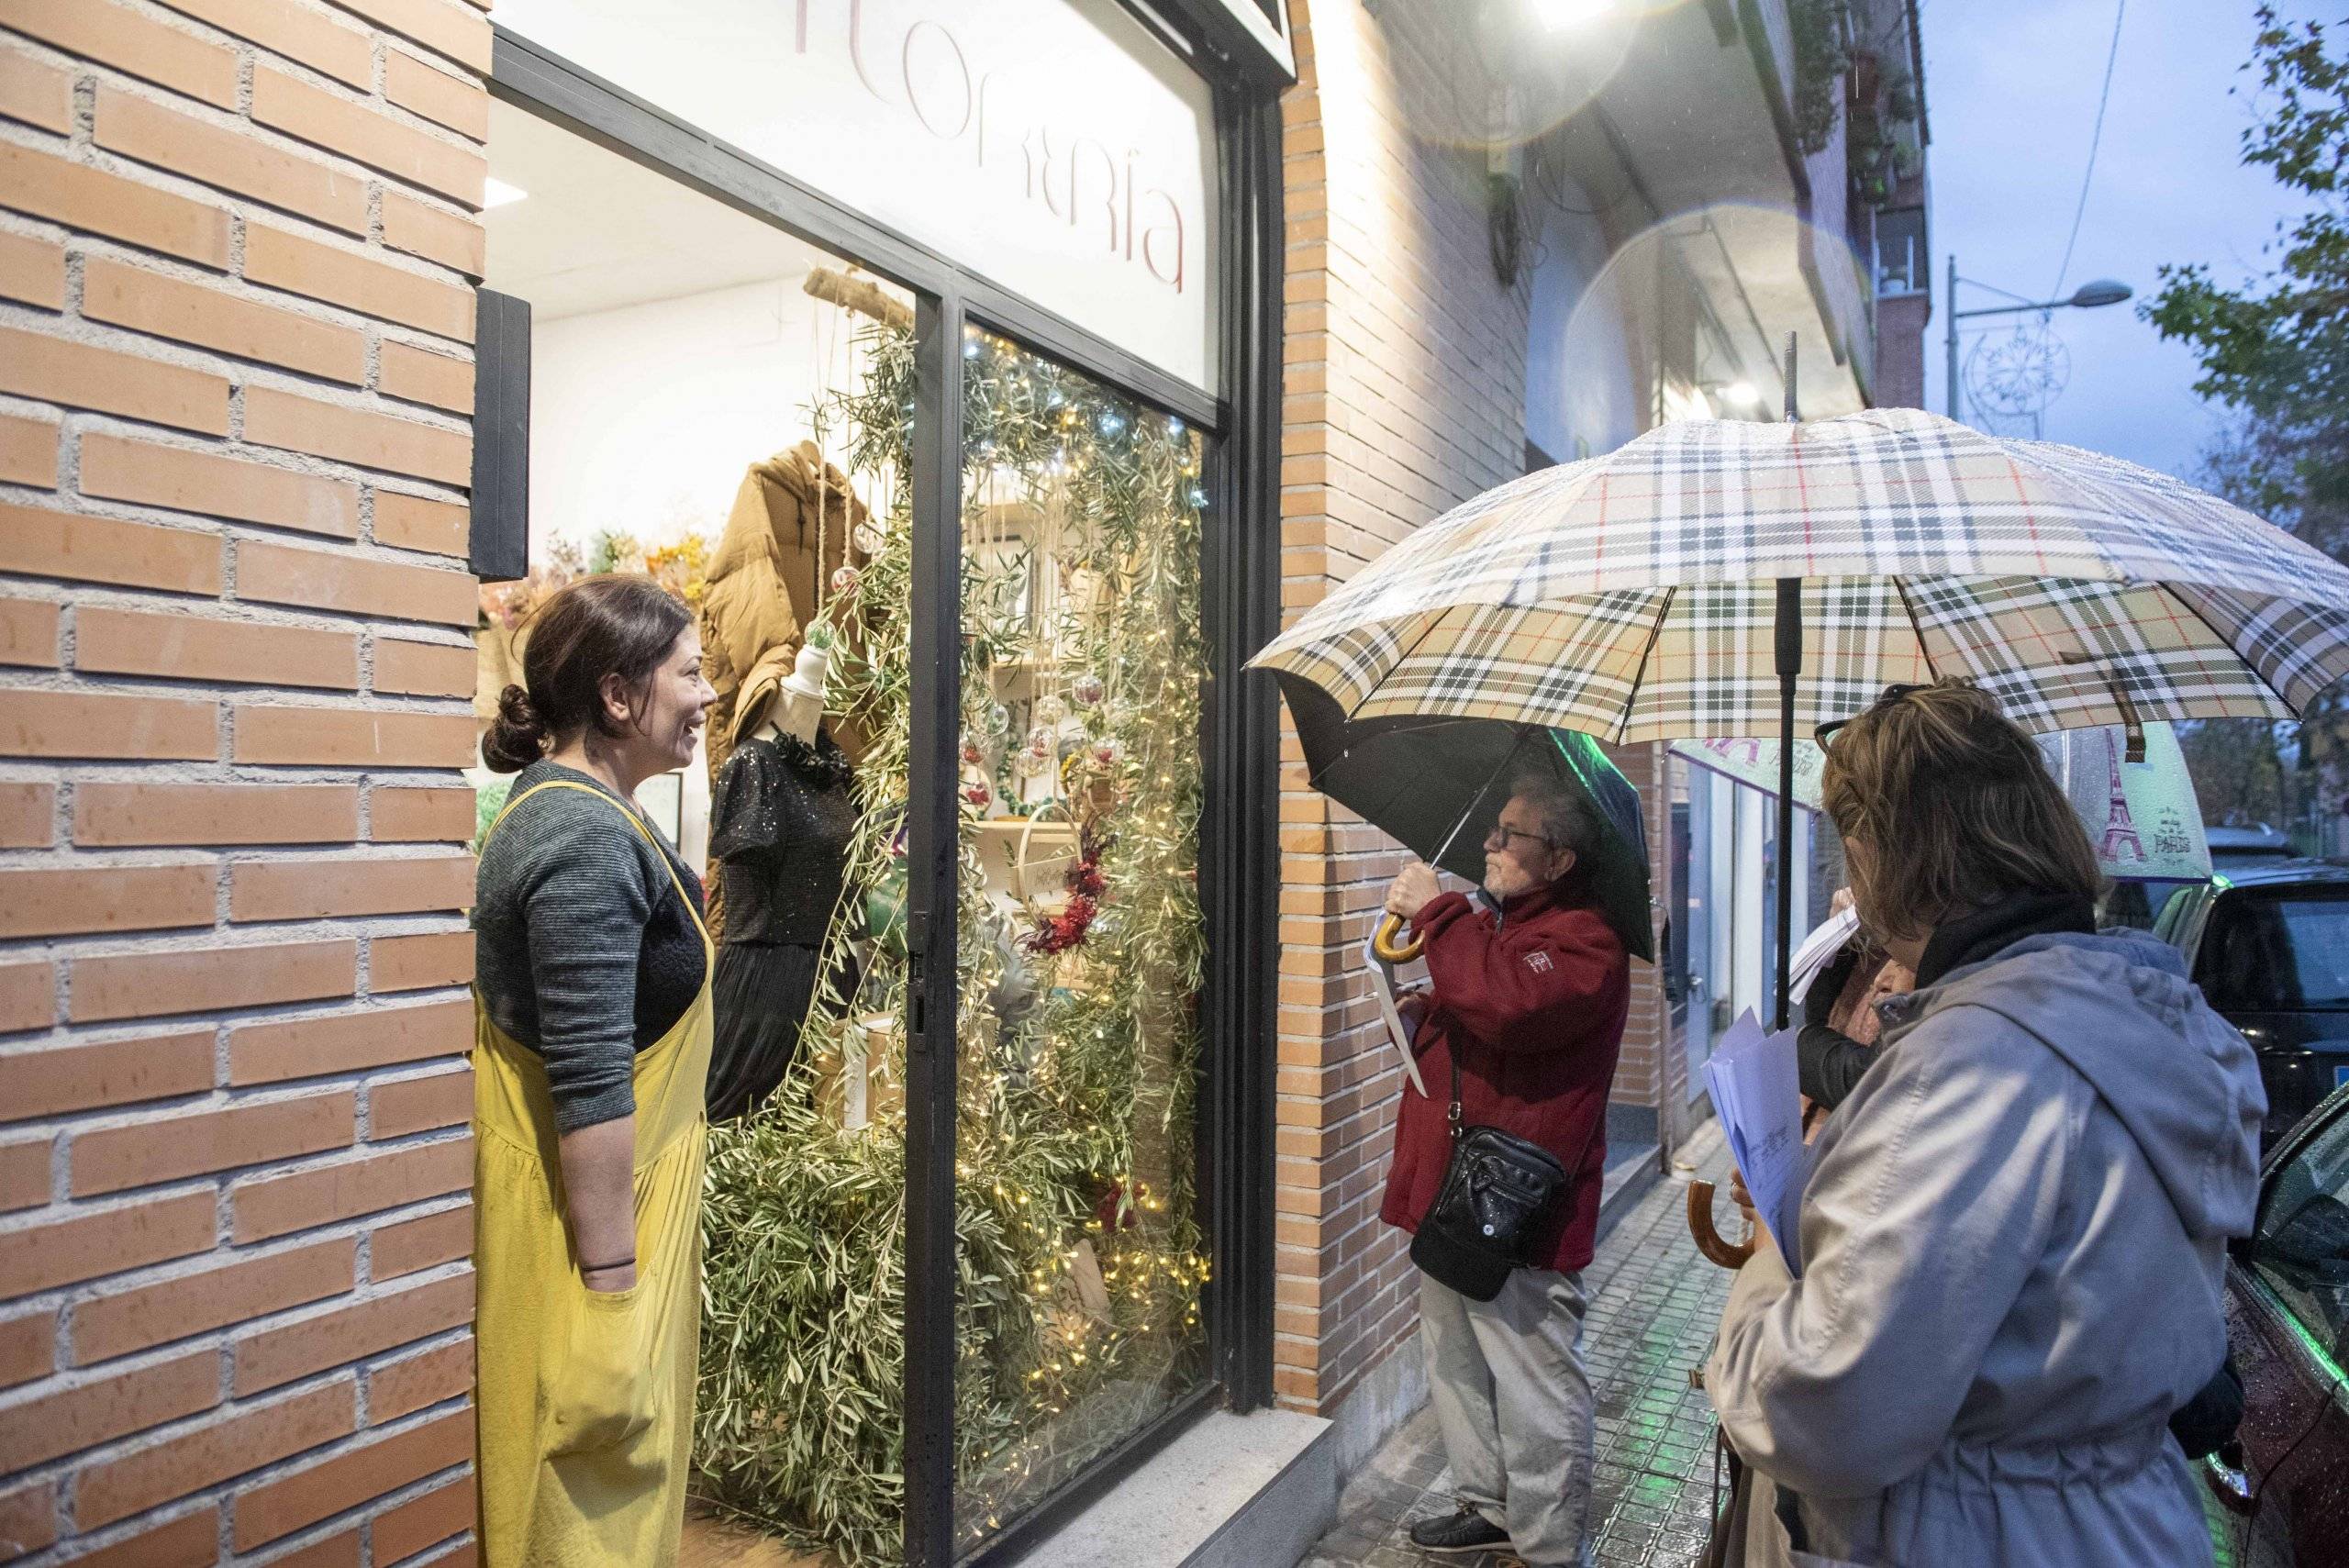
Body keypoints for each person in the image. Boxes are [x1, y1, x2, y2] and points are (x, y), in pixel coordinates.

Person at [1705, 680, 2265, 1567]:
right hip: (2120, 1525)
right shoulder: (2144, 1016)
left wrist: (1776, 1256)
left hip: (1968, 1535)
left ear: (1879, 849)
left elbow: (1819, 1407)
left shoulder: (1970, 1068)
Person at [471, 575, 718, 1566]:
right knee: (584, 1509)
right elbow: (587, 1079)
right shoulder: (576, 834)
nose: (708, 694)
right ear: (619, 697)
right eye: (690, 673)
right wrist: (613, 1302)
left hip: (619, 1222)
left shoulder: (595, 810)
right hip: (587, 1245)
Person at [1381, 774, 1631, 1567]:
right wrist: (1430, 1004)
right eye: (1494, 828)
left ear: (1557, 858)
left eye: (1509, 834)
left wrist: (1436, 911)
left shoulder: (1587, 941)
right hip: (1459, 1192)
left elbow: (1506, 1005)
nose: (1489, 844)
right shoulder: (1505, 924)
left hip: (1516, 1208)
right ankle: (1487, 1502)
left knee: (1533, 1375)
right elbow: (1481, 1001)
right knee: (1453, 1356)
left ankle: (1551, 1546)